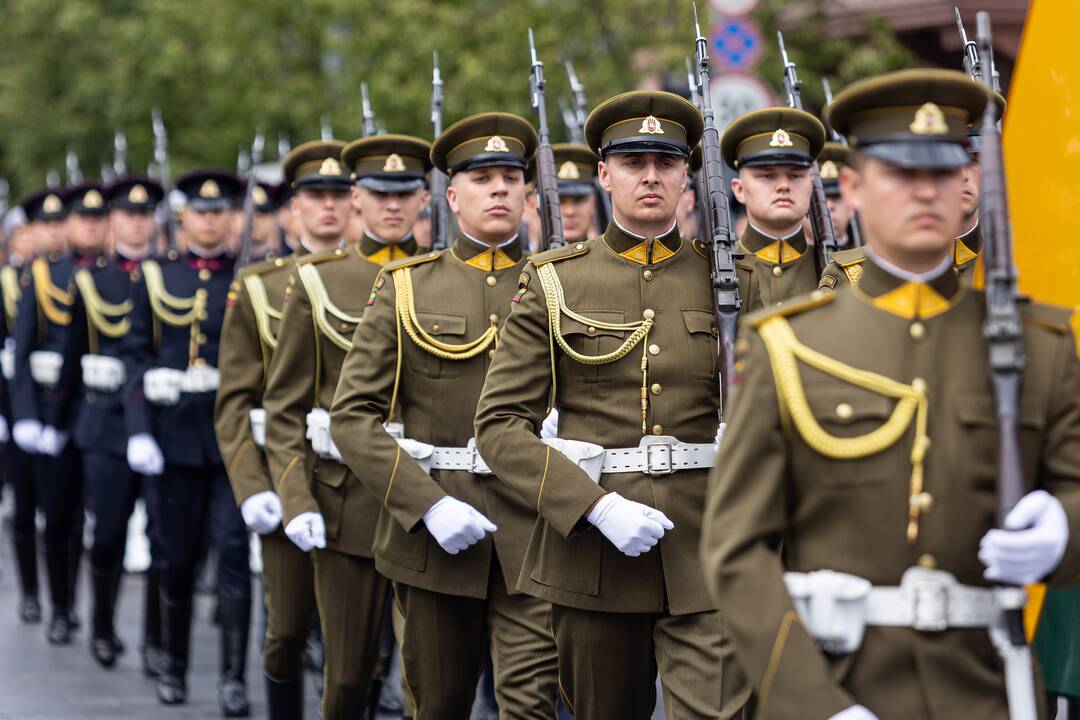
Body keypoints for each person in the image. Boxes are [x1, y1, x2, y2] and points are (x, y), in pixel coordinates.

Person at [701, 68, 1080, 720]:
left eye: (942, 171)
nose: (925, 191)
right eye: (902, 173)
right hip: (838, 682)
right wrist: (816, 704)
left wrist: (1065, 530)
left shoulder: (1039, 342)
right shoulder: (786, 345)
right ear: (852, 186)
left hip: (988, 690)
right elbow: (736, 552)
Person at [473, 92, 750, 719]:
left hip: (707, 547)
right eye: (632, 162)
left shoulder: (733, 278)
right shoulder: (553, 279)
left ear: (687, 176)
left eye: (665, 161)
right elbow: (499, 427)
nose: (650, 175)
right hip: (591, 554)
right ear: (604, 174)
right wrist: (591, 507)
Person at [329, 113, 560, 718]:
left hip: (537, 531)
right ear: (453, 197)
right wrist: (424, 503)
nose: (501, 189)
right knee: (437, 706)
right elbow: (352, 417)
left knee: (531, 706)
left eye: (512, 177)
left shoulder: (563, 283)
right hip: (436, 527)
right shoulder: (407, 286)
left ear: (529, 196)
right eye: (484, 178)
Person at [262, 136, 428, 718]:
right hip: (344, 500)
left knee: (424, 682)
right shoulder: (317, 282)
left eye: (406, 193)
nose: (393, 206)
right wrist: (294, 495)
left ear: (426, 198)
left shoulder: (441, 277)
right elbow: (282, 409)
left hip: (428, 501)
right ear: (358, 197)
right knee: (348, 678)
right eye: (380, 193)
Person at [217, 139, 352, 719]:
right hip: (287, 473)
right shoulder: (257, 286)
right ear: (293, 209)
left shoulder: (391, 278)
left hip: (362, 479)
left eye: (339, 195)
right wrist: (254, 490)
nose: (328, 208)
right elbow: (237, 403)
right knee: (288, 628)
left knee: (359, 642)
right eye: (314, 197)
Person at [122, 168, 253, 716]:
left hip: (233, 442)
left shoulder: (249, 276)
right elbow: (133, 355)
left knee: (234, 558)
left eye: (219, 211)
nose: (210, 219)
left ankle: (232, 679)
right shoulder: (156, 277)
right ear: (183, 219)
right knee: (175, 559)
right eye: (201, 212)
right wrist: (139, 429)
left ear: (230, 217)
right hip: (174, 441)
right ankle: (173, 665)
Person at [52, 176, 164, 669]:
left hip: (160, 422)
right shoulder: (92, 280)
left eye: (145, 214)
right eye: (128, 214)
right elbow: (72, 356)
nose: (137, 222)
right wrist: (57, 423)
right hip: (104, 422)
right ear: (114, 221)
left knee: (166, 538)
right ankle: (102, 625)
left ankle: (158, 640)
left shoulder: (170, 276)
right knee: (108, 535)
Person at [12, 182, 110, 644]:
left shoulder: (123, 274)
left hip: (106, 412)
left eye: (97, 218)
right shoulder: (46, 274)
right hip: (56, 411)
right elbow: (23, 352)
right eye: (81, 219)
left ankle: (98, 618)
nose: (89, 226)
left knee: (103, 523)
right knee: (57, 515)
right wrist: (28, 416)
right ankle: (60, 605)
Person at [817, 93, 1006, 291]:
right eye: (942, 167)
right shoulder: (852, 277)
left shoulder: (1021, 266)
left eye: (973, 160)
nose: (961, 175)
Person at [720, 108, 826, 310]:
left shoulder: (839, 271)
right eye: (767, 176)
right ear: (739, 190)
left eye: (795, 175)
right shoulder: (716, 269)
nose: (783, 185)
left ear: (811, 185)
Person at [551, 143, 599, 245]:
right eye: (559, 201)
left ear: (593, 203)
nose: (569, 211)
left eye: (579, 200)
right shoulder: (527, 261)